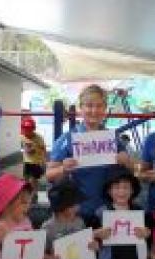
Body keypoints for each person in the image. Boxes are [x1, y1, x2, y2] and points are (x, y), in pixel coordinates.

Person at [46, 84, 132, 224]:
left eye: (99, 106)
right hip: (76, 212)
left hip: (108, 210)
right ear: (81, 108)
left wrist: (126, 161)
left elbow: (131, 169)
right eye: (89, 105)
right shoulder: (67, 139)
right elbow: (49, 175)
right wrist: (63, 168)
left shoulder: (113, 138)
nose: (94, 110)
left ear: (105, 109)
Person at [93, 166, 151, 259]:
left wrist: (147, 233)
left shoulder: (139, 211)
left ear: (132, 190)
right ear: (109, 191)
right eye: (117, 187)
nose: (121, 192)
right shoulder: (100, 213)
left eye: (126, 187)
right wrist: (96, 234)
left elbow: (148, 234)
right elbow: (92, 243)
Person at [42, 178, 98, 259]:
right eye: (74, 204)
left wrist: (93, 246)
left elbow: (86, 246)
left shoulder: (80, 221)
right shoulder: (48, 227)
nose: (78, 207)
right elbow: (39, 254)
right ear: (62, 206)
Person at [21, 118, 47, 193]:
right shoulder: (22, 137)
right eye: (25, 129)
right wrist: (26, 149)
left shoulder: (38, 138)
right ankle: (27, 192)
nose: (27, 132)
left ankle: (34, 193)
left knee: (34, 179)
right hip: (27, 162)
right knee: (26, 178)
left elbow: (43, 149)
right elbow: (24, 147)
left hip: (36, 162)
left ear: (33, 129)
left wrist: (44, 160)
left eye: (29, 130)